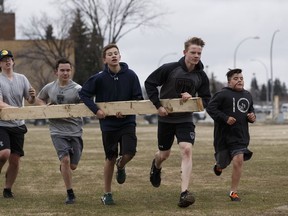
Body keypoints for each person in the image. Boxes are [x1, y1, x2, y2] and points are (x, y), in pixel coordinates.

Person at [144, 37, 211, 208]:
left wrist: (193, 97)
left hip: (185, 119)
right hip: (166, 118)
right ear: (184, 53)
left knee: (186, 149)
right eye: (193, 52)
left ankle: (184, 193)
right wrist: (158, 106)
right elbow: (150, 83)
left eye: (199, 53)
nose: (196, 56)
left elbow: (206, 99)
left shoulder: (201, 75)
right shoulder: (170, 68)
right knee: (163, 155)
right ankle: (156, 165)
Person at [79, 44, 143, 205]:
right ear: (105, 59)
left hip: (127, 122)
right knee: (110, 157)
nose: (113, 56)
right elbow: (84, 94)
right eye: (110, 54)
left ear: (120, 56)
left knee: (129, 152)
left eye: (116, 53)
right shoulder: (99, 78)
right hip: (108, 124)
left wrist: (126, 111)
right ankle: (107, 193)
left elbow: (137, 99)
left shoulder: (131, 76)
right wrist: (96, 111)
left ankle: (121, 166)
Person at [35, 58, 83, 204]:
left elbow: (84, 104)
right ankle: (70, 194)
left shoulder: (78, 89)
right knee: (65, 160)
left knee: (72, 166)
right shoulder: (50, 87)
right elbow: (39, 98)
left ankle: (64, 168)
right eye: (62, 70)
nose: (65, 73)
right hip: (57, 131)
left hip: (75, 131)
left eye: (68, 70)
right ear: (56, 72)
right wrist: (45, 108)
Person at [206, 68, 256, 201]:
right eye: (236, 78)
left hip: (240, 137)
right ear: (229, 82)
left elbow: (251, 112)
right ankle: (218, 166)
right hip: (223, 138)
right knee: (223, 162)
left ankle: (233, 192)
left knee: (238, 160)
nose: (239, 80)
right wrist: (225, 118)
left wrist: (252, 117)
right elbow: (210, 108)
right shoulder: (222, 94)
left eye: (241, 78)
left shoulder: (247, 95)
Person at [0, 49, 36, 198]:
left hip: (18, 125)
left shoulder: (22, 78)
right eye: (4, 59)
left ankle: (7, 189)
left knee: (15, 161)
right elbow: (0, 104)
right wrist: (16, 110)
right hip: (2, 124)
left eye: (10, 59)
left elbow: (30, 100)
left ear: (13, 62)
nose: (8, 61)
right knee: (4, 154)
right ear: (0, 64)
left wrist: (33, 97)